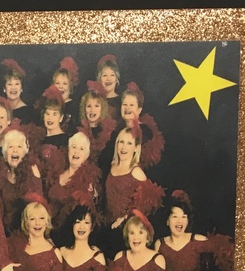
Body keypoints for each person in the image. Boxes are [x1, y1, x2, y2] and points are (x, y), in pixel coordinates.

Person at [102, 126, 165, 256]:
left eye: (129, 143)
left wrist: (125, 217)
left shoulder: (136, 172)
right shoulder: (112, 166)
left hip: (126, 232)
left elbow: (147, 204)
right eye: (121, 142)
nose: (124, 147)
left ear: (136, 148)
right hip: (108, 229)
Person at [47, 131, 100, 245]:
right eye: (74, 147)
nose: (76, 151)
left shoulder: (88, 182)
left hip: (68, 237)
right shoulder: (58, 173)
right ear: (68, 150)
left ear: (86, 155)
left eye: (81, 149)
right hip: (48, 232)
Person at [0, 128, 44, 233]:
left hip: (28, 232)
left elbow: (38, 208)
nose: (15, 150)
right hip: (7, 233)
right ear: (5, 155)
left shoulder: (32, 172)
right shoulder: (1, 178)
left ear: (24, 153)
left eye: (19, 147)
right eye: (10, 147)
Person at [118, 82, 165, 169]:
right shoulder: (117, 130)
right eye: (124, 104)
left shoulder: (145, 132)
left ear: (139, 110)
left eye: (131, 105)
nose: (127, 108)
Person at [80, 80, 117, 162]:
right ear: (84, 109)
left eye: (96, 106)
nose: (92, 110)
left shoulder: (111, 134)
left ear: (102, 109)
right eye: (89, 106)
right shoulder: (78, 133)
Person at [36, 85, 69, 177]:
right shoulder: (38, 140)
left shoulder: (66, 141)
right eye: (47, 113)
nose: (50, 118)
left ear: (61, 117)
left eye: (54, 114)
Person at [1, 58, 36, 124]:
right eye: (10, 84)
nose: (13, 88)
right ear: (4, 88)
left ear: (21, 88)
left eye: (17, 84)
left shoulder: (29, 112)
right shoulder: (0, 110)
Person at [52, 56, 80, 130]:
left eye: (64, 83)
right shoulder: (49, 105)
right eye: (57, 83)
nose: (60, 86)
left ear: (70, 87)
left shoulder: (75, 107)